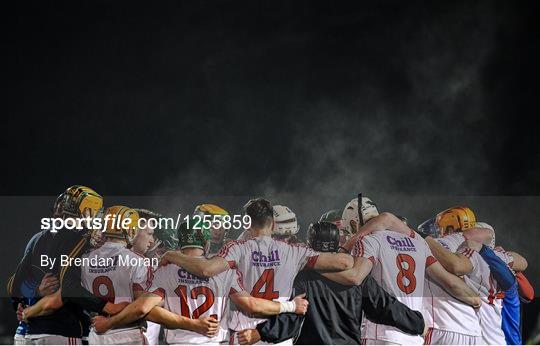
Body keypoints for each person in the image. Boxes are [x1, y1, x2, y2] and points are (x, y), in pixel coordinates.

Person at [160, 198, 354, 344]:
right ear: (273, 224)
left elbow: (206, 269)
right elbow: (345, 263)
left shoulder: (237, 248)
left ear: (248, 223)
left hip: (244, 335)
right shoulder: (294, 252)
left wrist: (171, 255)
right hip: (278, 334)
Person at [92, 218, 309, 344]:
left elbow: (142, 309)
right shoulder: (224, 270)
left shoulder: (166, 269)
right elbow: (252, 305)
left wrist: (109, 322)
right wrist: (290, 305)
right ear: (206, 242)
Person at [236, 221, 426, 345]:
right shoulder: (357, 278)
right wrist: (417, 322)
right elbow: (385, 307)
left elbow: (292, 317)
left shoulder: (303, 277)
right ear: (337, 243)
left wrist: (262, 332)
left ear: (310, 243)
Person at [8, 186, 126, 344]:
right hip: (62, 329)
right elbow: (68, 290)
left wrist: (31, 295)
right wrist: (107, 307)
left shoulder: (39, 239)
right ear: (86, 211)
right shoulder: (78, 240)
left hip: (28, 332)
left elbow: (13, 286)